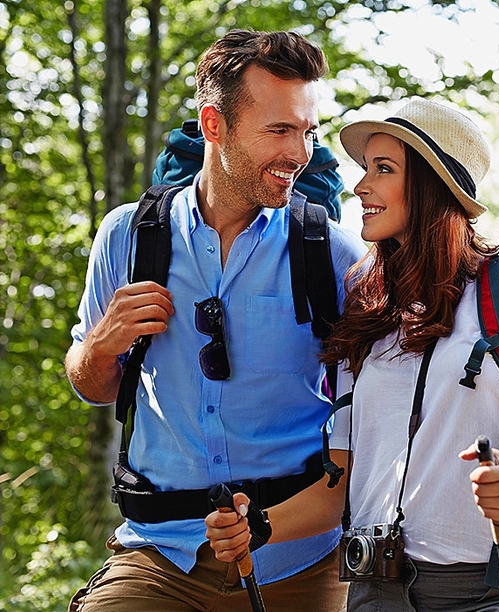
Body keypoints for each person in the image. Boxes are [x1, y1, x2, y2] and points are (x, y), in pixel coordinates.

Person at [206, 97, 499, 611]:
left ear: (434, 185)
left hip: (490, 591)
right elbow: (338, 487)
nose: (360, 186)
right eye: (366, 168)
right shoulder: (362, 309)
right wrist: (260, 526)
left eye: (384, 169)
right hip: (373, 593)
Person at [65, 29, 367, 612]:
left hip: (300, 558)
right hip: (161, 555)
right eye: (278, 130)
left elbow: (370, 424)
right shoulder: (127, 237)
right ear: (213, 125)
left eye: (307, 132)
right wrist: (102, 346)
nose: (298, 153)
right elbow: (91, 386)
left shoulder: (332, 253)